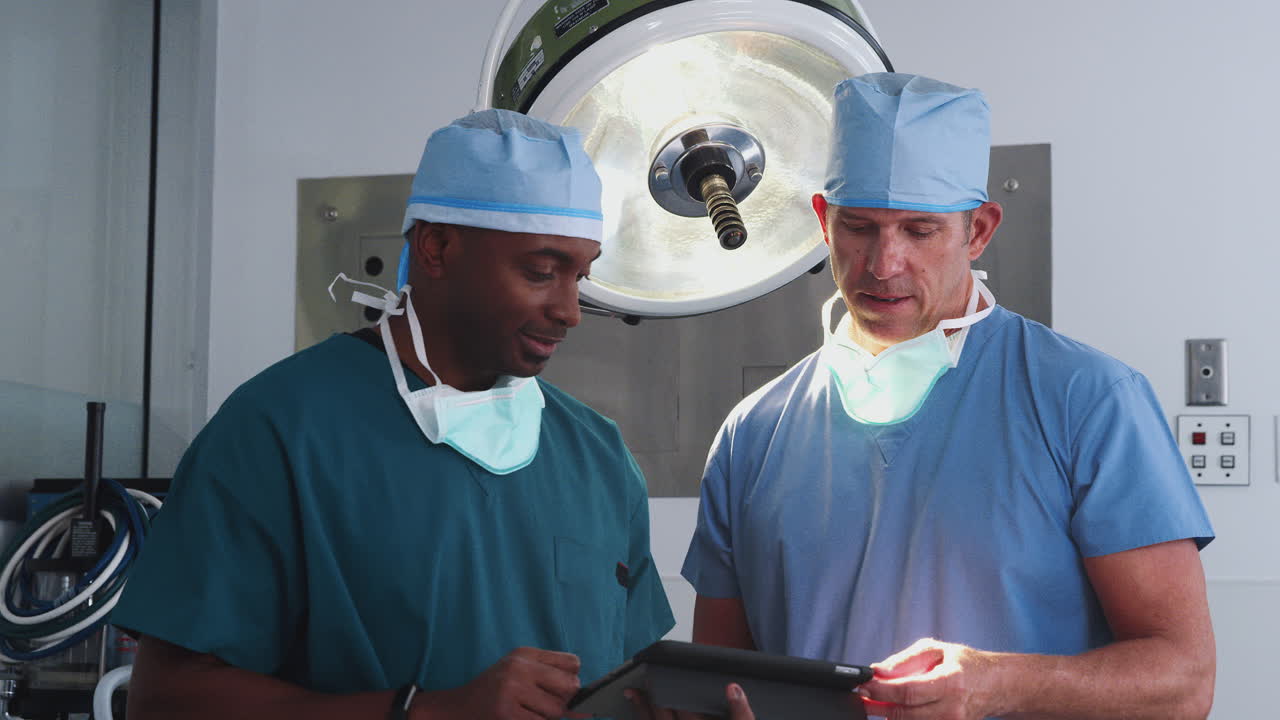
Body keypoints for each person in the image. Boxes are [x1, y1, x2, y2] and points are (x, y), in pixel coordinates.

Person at [680, 73, 1216, 720]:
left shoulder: (1089, 403)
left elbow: (1184, 682)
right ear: (823, 222)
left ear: (980, 230)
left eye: (920, 230)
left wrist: (999, 684)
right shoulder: (753, 435)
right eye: (859, 228)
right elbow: (716, 684)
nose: (884, 264)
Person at [111, 109, 674, 720]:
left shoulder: (597, 456)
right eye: (540, 272)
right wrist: (427, 713)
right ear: (436, 248)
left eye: (581, 276)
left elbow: (633, 683)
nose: (569, 310)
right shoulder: (281, 430)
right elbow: (165, 700)